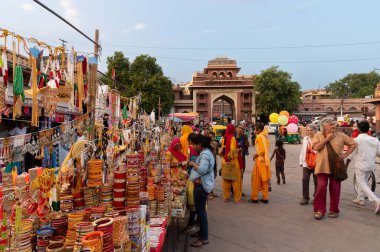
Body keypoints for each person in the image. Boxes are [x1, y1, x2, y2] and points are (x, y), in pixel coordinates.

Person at [312, 117, 357, 220]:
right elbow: (315, 148)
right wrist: (327, 139)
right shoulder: (318, 135)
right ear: (324, 126)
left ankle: (334, 210)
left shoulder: (341, 135)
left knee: (335, 189)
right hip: (322, 166)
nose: (334, 126)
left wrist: (346, 154)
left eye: (334, 124)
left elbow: (353, 144)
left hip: (336, 167)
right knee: (321, 187)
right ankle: (319, 210)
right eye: (331, 124)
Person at [187, 134, 215, 248]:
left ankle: (204, 238)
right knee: (200, 211)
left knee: (201, 212)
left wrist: (192, 163)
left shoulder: (205, 154)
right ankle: (202, 233)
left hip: (201, 186)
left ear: (199, 144)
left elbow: (202, 169)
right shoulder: (205, 153)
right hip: (201, 184)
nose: (192, 147)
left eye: (194, 144)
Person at [347, 121, 380, 214]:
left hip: (361, 165)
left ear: (358, 129)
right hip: (371, 165)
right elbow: (379, 153)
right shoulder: (375, 140)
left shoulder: (357, 140)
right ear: (368, 128)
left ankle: (376, 200)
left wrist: (346, 165)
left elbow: (351, 155)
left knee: (362, 183)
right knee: (364, 181)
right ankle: (360, 199)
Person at [249, 123, 271, 204]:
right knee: (264, 179)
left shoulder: (259, 137)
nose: (254, 131)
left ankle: (254, 198)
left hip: (260, 160)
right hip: (264, 160)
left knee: (256, 179)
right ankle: (265, 198)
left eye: (255, 129)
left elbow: (262, 150)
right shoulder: (265, 137)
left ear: (258, 130)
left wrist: (256, 155)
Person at [221, 124, 242, 204]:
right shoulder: (232, 138)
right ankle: (237, 199)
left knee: (226, 180)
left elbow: (223, 149)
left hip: (224, 161)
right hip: (232, 161)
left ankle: (226, 197)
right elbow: (232, 150)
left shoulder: (224, 138)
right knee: (235, 180)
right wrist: (238, 150)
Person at [184, 133, 200, 233]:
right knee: (195, 202)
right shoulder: (195, 149)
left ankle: (192, 224)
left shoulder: (200, 152)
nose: (189, 143)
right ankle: (194, 222)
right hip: (194, 177)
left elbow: (190, 162)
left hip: (197, 179)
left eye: (190, 141)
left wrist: (191, 164)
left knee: (194, 202)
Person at [299, 124, 318, 205]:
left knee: (316, 181)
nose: (309, 132)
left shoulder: (318, 138)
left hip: (317, 163)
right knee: (305, 179)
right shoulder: (305, 139)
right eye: (308, 130)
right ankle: (305, 197)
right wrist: (301, 161)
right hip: (306, 162)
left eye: (311, 130)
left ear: (315, 131)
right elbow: (303, 150)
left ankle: (316, 197)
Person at [235, 124, 249, 195]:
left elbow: (247, 146)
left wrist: (246, 140)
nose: (240, 130)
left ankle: (240, 190)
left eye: (242, 129)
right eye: (239, 128)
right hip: (233, 159)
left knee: (241, 174)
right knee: (233, 174)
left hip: (241, 158)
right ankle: (233, 190)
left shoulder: (244, 137)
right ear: (236, 129)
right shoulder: (232, 137)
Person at [208, 131, 219, 199]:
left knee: (213, 177)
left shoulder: (216, 144)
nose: (210, 138)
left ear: (214, 137)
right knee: (209, 177)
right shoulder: (206, 144)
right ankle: (209, 193)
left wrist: (215, 152)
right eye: (209, 137)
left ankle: (212, 192)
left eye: (212, 136)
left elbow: (217, 152)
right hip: (208, 162)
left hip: (214, 161)